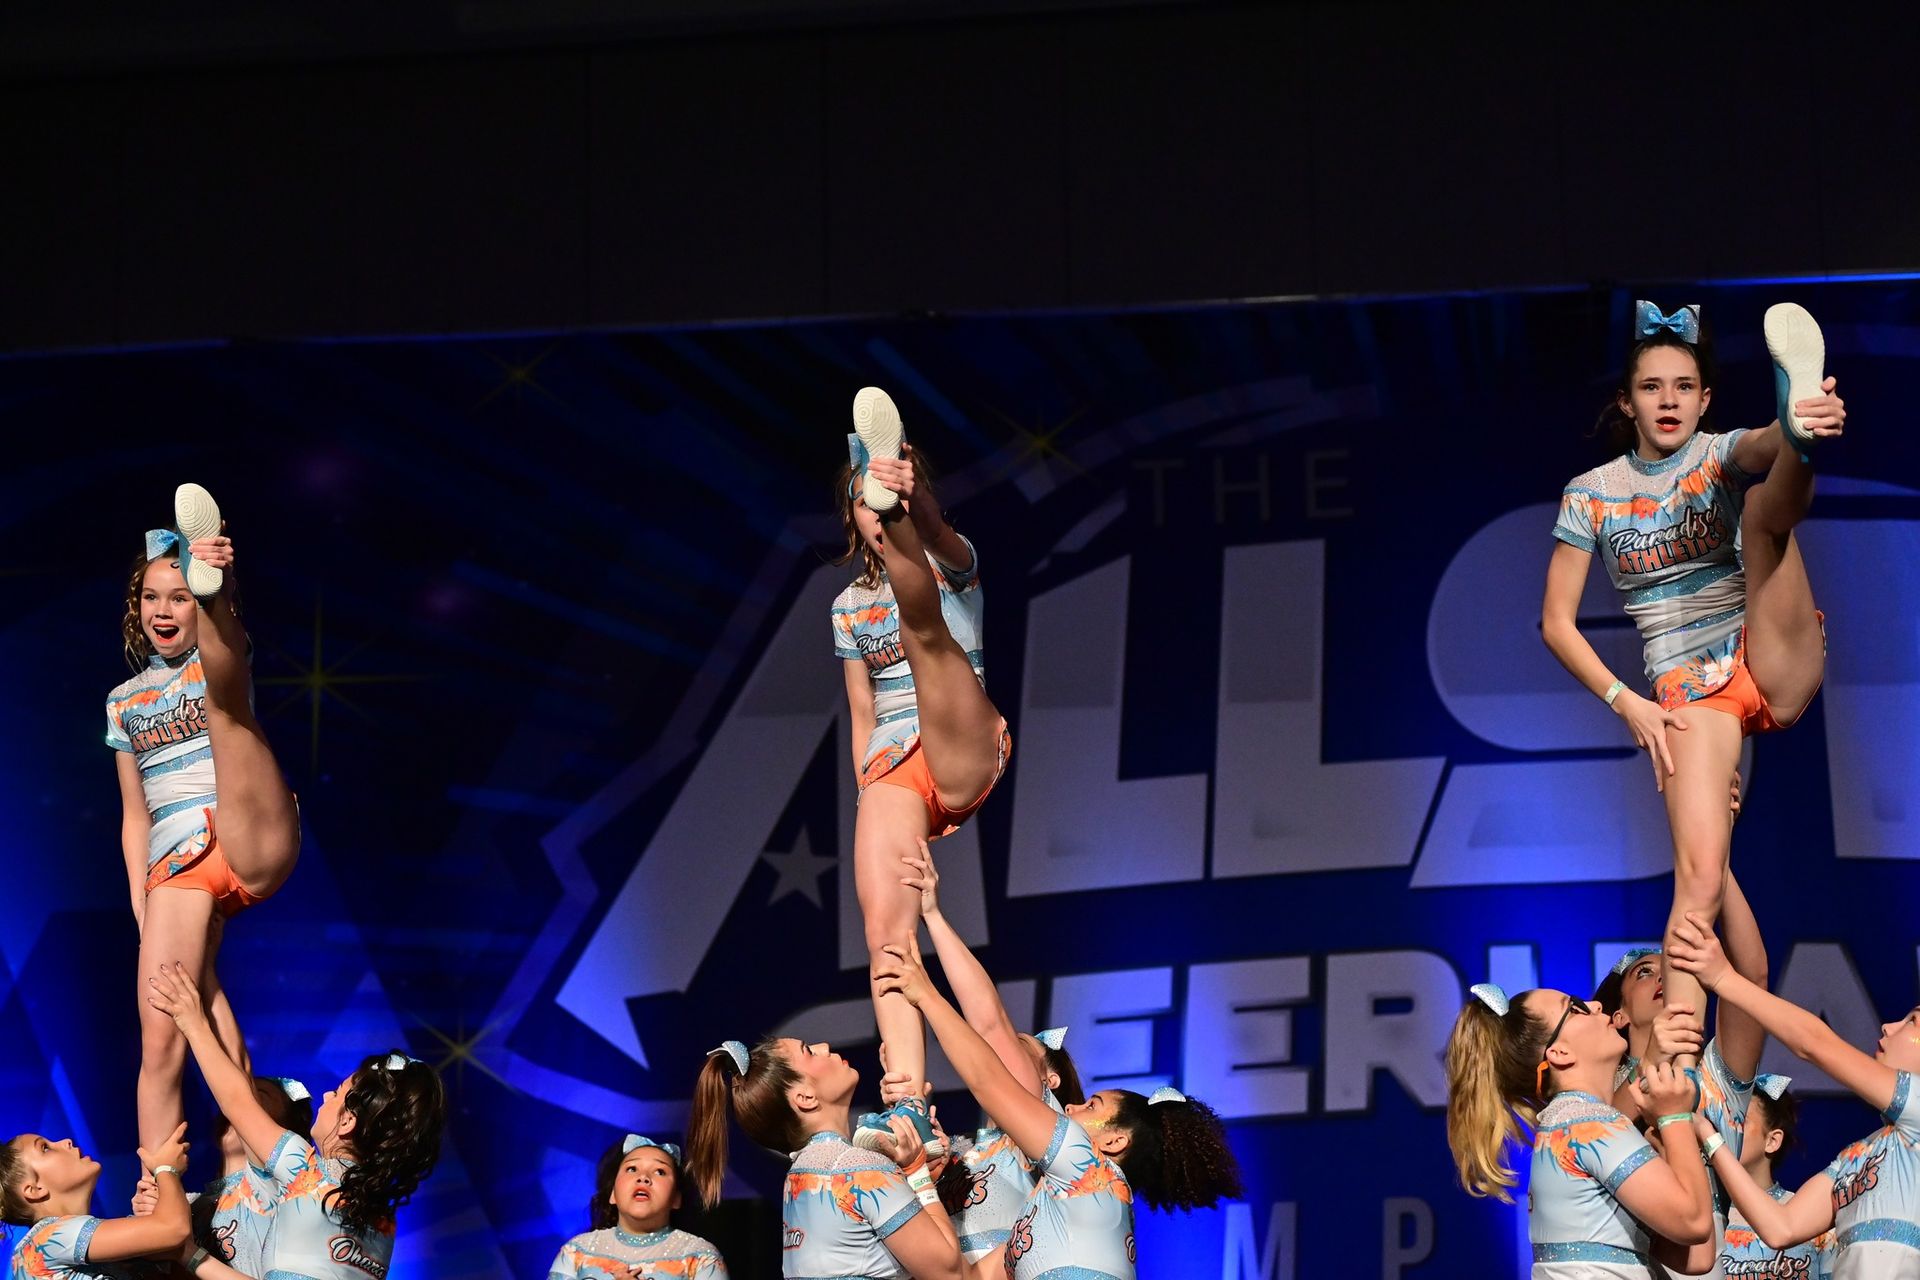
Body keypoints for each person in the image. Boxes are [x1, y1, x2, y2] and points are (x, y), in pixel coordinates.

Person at [1541, 302, 1843, 1067]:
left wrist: (1787, 432)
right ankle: (1677, 1063)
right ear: (1627, 401)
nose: (1668, 400)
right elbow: (1556, 624)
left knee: (1762, 512)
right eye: (1652, 387)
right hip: (1688, 691)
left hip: (1770, 649)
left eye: (1684, 387)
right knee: (1700, 877)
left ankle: (1804, 428)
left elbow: (1756, 446)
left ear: (1705, 399)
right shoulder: (1592, 493)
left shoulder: (1716, 452)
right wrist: (1629, 704)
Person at [834, 388, 1011, 1153]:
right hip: (894, 765)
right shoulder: (845, 607)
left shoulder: (954, 562)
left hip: (961, 735)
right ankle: (906, 1102)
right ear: (854, 517)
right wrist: (873, 803)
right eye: (867, 502)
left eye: (887, 498)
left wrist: (914, 504)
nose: (873, 513)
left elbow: (938, 531)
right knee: (884, 932)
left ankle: (898, 476)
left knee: (926, 631)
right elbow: (862, 714)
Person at [109, 485, 302, 1152]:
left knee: (225, 700)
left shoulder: (213, 661)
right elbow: (134, 817)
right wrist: (145, 908)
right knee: (166, 1032)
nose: (162, 611)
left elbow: (228, 667)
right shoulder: (122, 702)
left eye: (180, 596)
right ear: (136, 608)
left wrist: (216, 598)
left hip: (250, 828)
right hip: (178, 863)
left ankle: (222, 591)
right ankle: (165, 1185)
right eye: (151, 597)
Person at [874, 937, 1241, 1278]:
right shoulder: (1046, 1211)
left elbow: (989, 1075)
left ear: (1114, 1141)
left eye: (1092, 1106)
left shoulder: (1091, 1171)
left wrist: (927, 995)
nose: (1071, 1109)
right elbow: (959, 1277)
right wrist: (919, 1174)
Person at [145, 961, 444, 1280]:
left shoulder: (307, 1173)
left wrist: (193, 1022)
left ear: (348, 1123)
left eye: (337, 1093)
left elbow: (237, 1099)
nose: (326, 1095)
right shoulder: (383, 1222)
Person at [1671, 913, 1920, 1279]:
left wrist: (1724, 978)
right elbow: (1781, 1228)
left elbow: (1813, 1043)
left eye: (1913, 1021)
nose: (1889, 1026)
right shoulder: (1860, 1154)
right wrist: (1707, 1134)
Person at [882, 840, 1087, 1262]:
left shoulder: (1044, 1139)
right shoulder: (970, 1151)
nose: (1000, 1051)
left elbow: (989, 1022)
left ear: (1049, 1081)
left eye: (1021, 1047)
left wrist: (933, 917)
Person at [1444, 980, 1716, 1275]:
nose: (1596, 1005)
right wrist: (1675, 1118)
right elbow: (1694, 1223)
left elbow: (1695, 1258)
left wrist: (1673, 1141)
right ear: (1559, 1053)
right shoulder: (1588, 1125)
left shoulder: (1570, 1123)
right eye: (1574, 1007)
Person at [684, 1036, 964, 1279]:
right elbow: (949, 1272)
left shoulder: (799, 1177)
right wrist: (916, 1173)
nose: (825, 1047)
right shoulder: (858, 1168)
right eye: (808, 1051)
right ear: (805, 1098)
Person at [2, 1122, 191, 1278]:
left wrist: (146, 1216)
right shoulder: (47, 1239)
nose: (66, 1141)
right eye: (45, 1148)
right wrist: (166, 1169)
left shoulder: (45, 1246)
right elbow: (174, 1229)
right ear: (34, 1190)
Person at [546, 1134, 728, 1278]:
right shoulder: (576, 1252)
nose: (643, 1177)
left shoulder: (702, 1258)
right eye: (632, 1169)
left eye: (660, 1171)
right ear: (613, 1194)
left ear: (676, 1199)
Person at [1717, 1075, 1836, 1280]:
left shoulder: (1807, 1215)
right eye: (1719, 1118)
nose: (1725, 1129)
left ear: (1772, 1140)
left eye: (1738, 1119)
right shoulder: (1703, 1213)